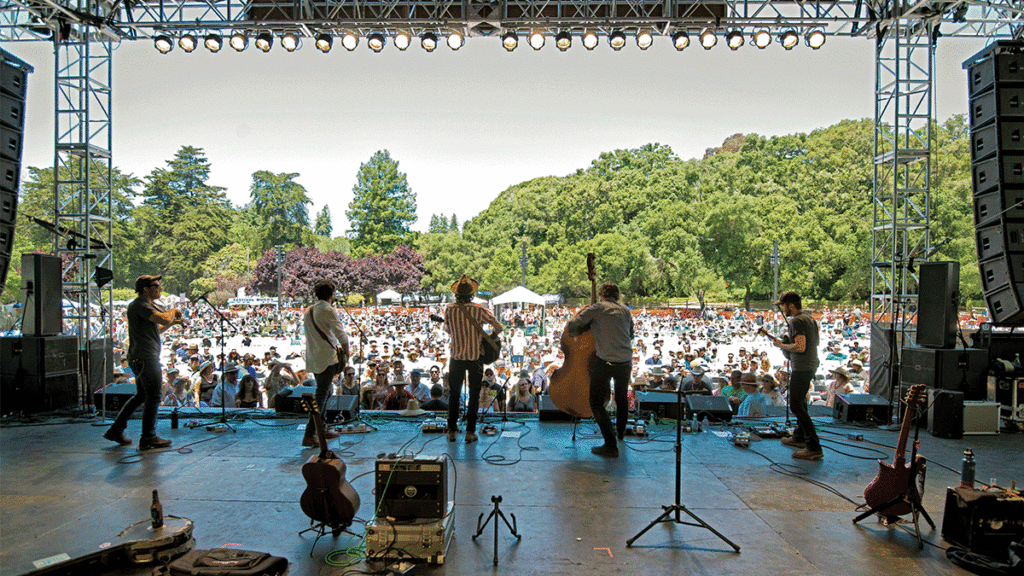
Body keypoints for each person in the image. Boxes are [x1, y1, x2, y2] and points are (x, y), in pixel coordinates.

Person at [103, 275, 183, 449]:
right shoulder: (140, 305)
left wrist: (172, 323)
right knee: (154, 396)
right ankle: (148, 437)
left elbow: (156, 329)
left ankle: (115, 430)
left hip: (142, 356)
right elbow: (163, 318)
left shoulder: (144, 306)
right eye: (157, 285)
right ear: (146, 289)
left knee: (141, 395)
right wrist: (173, 311)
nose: (160, 288)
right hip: (145, 357)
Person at [563, 282, 634, 458]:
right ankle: (620, 434)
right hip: (625, 361)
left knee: (595, 403)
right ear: (617, 296)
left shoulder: (597, 308)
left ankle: (610, 444)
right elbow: (631, 334)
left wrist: (584, 321)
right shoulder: (625, 310)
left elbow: (571, 327)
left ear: (601, 295)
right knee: (621, 398)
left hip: (606, 361)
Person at [443, 274, 504, 444]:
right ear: (471, 293)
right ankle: (470, 432)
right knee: (474, 394)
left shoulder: (449, 309)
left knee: (454, 394)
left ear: (456, 294)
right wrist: (488, 336)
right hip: (475, 358)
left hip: (456, 357)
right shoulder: (478, 309)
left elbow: (449, 330)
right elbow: (498, 327)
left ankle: (452, 431)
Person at [773, 291, 823, 460]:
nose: (782, 309)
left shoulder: (796, 321)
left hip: (802, 367)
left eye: (783, 305)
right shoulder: (809, 319)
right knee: (801, 402)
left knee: (795, 405)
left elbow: (800, 347)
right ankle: (800, 437)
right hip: (809, 365)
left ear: (791, 305)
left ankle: (813, 446)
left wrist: (782, 345)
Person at [302, 279, 350, 448]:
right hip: (328, 358)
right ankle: (309, 434)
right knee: (322, 394)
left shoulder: (309, 310)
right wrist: (347, 353)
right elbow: (341, 335)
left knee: (327, 390)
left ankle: (320, 428)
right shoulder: (328, 310)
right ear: (332, 295)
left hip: (315, 357)